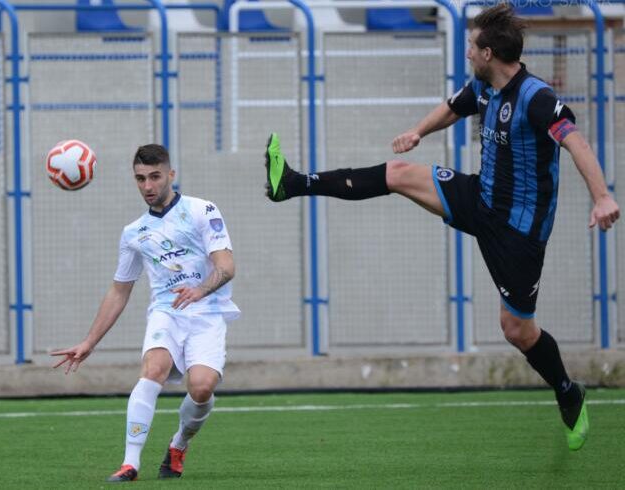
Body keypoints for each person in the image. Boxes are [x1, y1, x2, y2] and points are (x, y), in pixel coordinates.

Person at [263, 3, 619, 451]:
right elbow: (455, 107)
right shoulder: (486, 85)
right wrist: (417, 132)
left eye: (472, 46)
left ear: (489, 53)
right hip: (480, 197)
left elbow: (575, 141)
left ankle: (567, 390)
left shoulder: (537, 97)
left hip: (518, 234)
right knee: (399, 173)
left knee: (517, 330)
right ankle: (292, 184)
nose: (467, 52)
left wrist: (602, 196)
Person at [52, 144, 239, 482]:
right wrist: (89, 342)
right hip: (166, 312)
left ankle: (179, 444)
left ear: (171, 174)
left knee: (201, 388)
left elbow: (226, 266)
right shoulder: (134, 234)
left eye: (155, 177)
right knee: (153, 368)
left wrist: (200, 289)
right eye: (140, 179)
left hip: (207, 311)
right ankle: (130, 463)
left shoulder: (202, 210)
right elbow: (119, 290)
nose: (148, 186)